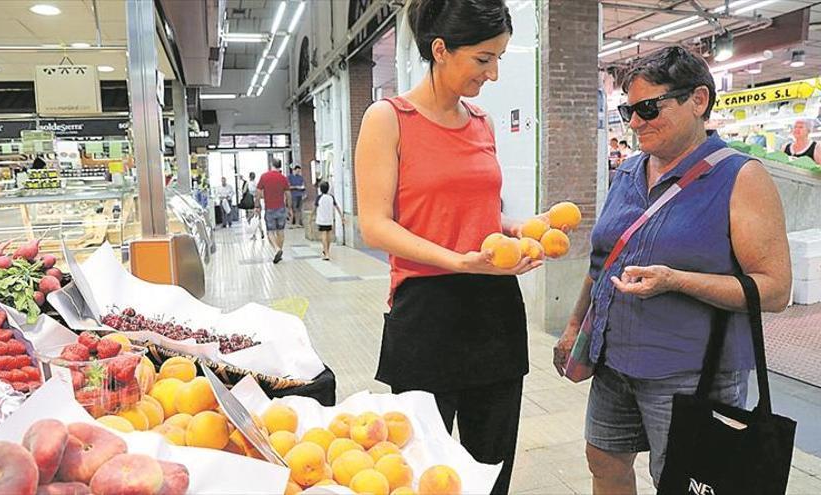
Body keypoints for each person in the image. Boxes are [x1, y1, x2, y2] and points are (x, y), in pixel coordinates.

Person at [553, 46, 791, 494]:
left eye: (648, 107)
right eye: (629, 110)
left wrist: (676, 280)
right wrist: (572, 327)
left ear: (698, 100)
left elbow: (774, 290)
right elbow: (601, 263)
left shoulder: (741, 177)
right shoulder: (627, 172)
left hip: (692, 371)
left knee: (682, 481)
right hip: (614, 362)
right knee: (603, 460)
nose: (636, 122)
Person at [354, 1, 541, 492]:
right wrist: (457, 259)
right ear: (440, 50)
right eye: (483, 59)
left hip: (495, 311)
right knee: (423, 471)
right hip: (427, 313)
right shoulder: (388, 118)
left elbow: (478, 215)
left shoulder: (483, 123)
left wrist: (520, 228)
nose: (494, 73)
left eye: (499, 58)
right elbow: (375, 225)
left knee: (491, 469)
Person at [256, 159, 291, 264]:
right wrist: (290, 208)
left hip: (269, 208)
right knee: (280, 231)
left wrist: (257, 205)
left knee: (270, 232)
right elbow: (288, 194)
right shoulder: (283, 178)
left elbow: (258, 193)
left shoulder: (264, 176)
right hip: (281, 208)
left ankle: (277, 249)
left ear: (271, 165)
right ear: (280, 166)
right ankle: (279, 251)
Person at [315, 181, 343, 260]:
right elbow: (337, 207)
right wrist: (341, 216)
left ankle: (326, 253)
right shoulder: (331, 197)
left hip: (321, 219)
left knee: (323, 235)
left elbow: (314, 208)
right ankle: (327, 250)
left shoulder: (319, 197)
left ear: (320, 189)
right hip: (329, 219)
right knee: (329, 235)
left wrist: (311, 218)